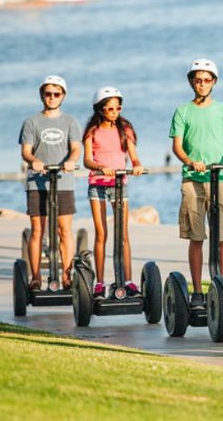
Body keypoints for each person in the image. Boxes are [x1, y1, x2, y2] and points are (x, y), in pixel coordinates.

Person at [169, 58, 223, 310]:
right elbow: (177, 146)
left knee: (221, 237)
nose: (203, 84)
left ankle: (220, 285)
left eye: (207, 80)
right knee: (196, 236)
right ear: (191, 82)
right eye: (198, 80)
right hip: (193, 179)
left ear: (214, 82)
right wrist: (190, 160)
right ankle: (197, 291)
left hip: (219, 178)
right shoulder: (183, 111)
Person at [19, 75, 82, 291]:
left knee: (65, 230)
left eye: (56, 94)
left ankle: (66, 276)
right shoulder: (31, 122)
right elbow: (26, 151)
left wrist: (72, 161)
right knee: (38, 230)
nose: (52, 98)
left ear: (63, 96)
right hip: (38, 182)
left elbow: (75, 147)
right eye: (48, 94)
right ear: (42, 95)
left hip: (63, 182)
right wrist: (34, 161)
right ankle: (36, 277)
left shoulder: (70, 122)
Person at [83, 86, 144, 299]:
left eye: (118, 108)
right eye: (110, 109)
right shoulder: (92, 131)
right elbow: (87, 160)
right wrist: (100, 167)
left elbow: (134, 156)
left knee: (123, 235)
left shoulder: (124, 129)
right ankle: (99, 283)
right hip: (98, 186)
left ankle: (128, 281)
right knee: (102, 234)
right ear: (100, 109)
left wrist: (136, 165)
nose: (115, 112)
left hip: (120, 184)